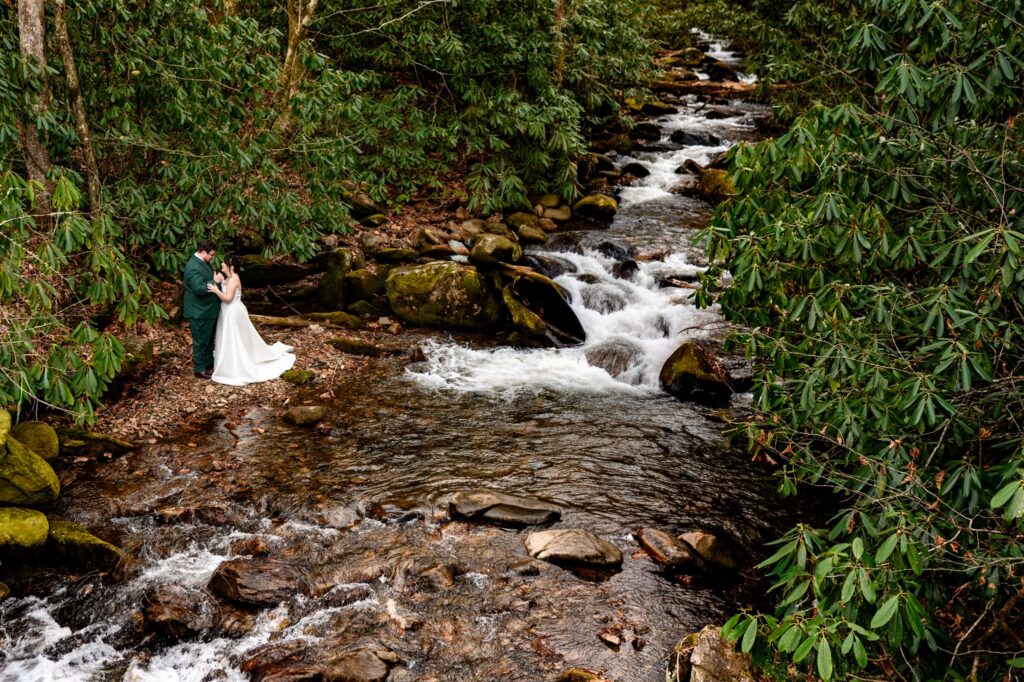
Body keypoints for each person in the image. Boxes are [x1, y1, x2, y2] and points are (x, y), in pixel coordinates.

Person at [205, 254, 296, 385]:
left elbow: (228, 298)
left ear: (230, 267)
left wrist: (215, 290)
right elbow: (225, 291)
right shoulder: (229, 277)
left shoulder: (233, 279)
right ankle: (229, 359)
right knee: (230, 338)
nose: (222, 265)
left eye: (224, 264)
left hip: (233, 311)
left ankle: (236, 364)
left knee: (235, 338)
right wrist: (218, 282)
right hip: (227, 311)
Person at [182, 241, 224, 379]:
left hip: (207, 310)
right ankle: (199, 370)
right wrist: (215, 281)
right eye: (211, 254)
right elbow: (199, 289)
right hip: (199, 311)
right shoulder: (193, 266)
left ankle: (208, 363)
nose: (212, 257)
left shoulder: (203, 262)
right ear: (203, 252)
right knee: (200, 340)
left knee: (208, 339)